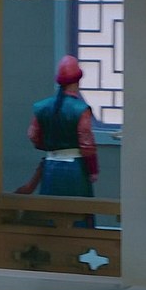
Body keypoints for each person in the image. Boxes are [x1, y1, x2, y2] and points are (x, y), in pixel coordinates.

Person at [24, 55, 99, 198]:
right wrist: (93, 169)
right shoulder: (81, 109)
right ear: (77, 81)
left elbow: (33, 135)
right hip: (75, 169)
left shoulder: (42, 107)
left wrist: (49, 146)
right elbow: (87, 144)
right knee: (77, 209)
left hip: (50, 168)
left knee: (50, 208)